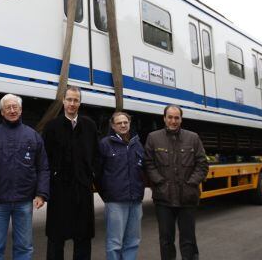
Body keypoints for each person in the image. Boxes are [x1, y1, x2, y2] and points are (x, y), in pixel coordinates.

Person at [0, 94, 49, 260]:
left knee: (24, 247)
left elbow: (43, 167)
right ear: (2, 112)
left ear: (21, 110)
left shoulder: (33, 136)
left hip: (24, 200)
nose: (12, 110)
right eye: (8, 108)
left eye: (15, 107)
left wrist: (41, 193)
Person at [144, 104, 208, 260]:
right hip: (163, 199)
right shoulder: (153, 138)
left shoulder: (193, 138)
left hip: (187, 198)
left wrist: (191, 183)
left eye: (176, 118)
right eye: (170, 117)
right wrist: (160, 182)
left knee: (188, 240)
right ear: (164, 119)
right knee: (166, 240)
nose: (173, 121)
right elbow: (148, 163)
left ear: (181, 119)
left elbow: (202, 164)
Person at [42, 86, 100, 260]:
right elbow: (45, 159)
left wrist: (92, 177)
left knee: (83, 237)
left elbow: (96, 155)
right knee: (56, 237)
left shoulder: (89, 126)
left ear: (80, 103)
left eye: (76, 100)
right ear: (63, 101)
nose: (72, 103)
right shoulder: (52, 126)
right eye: (69, 99)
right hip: (59, 190)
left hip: (82, 189)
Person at [97, 111, 145, 260]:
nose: (123, 125)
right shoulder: (105, 144)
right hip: (115, 201)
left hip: (135, 200)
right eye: (119, 123)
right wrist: (107, 195)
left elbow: (143, 170)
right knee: (114, 243)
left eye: (125, 122)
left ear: (129, 123)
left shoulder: (137, 144)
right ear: (113, 125)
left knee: (133, 241)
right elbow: (97, 174)